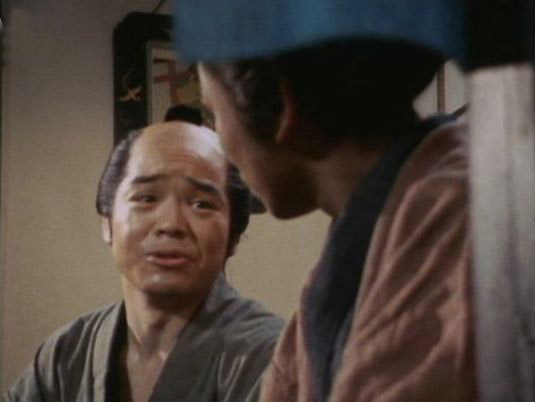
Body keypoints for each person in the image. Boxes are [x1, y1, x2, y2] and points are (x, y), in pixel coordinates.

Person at [190, 38, 476, 401]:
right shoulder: (391, 215)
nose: (221, 147)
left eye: (214, 115)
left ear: (283, 111)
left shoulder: (455, 224)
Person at [3, 118, 284, 402]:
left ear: (233, 237)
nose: (170, 224)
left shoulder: (272, 358)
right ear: (107, 223)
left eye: (201, 204)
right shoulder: (67, 353)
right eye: (146, 198)